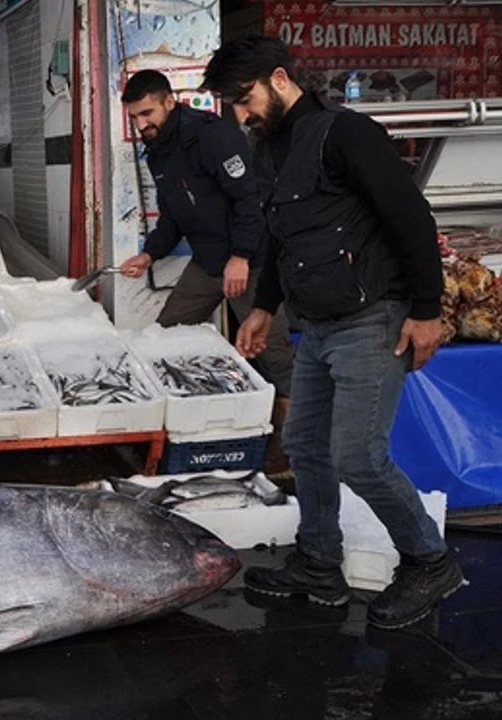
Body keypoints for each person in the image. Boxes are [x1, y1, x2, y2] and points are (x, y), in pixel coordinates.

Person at [203, 36, 462, 629]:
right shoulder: (268, 146)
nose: (240, 115)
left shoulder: (346, 133)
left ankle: (429, 560)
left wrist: (427, 310)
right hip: (316, 326)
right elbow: (279, 233)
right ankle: (319, 561)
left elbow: (412, 218)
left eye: (244, 99)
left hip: (374, 319)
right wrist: (266, 307)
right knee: (305, 447)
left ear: (279, 78)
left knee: (358, 457)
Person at [118, 70, 295, 400]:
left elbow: (249, 199)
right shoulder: (158, 149)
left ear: (169, 101)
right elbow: (173, 216)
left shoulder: (212, 136)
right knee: (163, 338)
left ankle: (297, 437)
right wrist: (149, 255)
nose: (141, 125)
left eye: (147, 113)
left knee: (274, 354)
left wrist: (240, 257)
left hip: (250, 264)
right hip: (207, 263)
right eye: (134, 117)